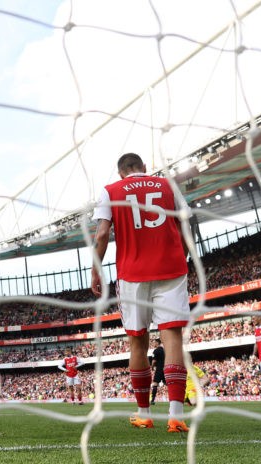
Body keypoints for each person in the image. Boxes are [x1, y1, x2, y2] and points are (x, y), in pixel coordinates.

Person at [91, 153, 190, 433]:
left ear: (121, 172)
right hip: (171, 269)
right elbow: (184, 224)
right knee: (172, 339)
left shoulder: (111, 191)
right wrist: (183, 255)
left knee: (138, 342)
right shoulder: (168, 185)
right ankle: (176, 416)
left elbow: (101, 235)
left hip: (132, 273)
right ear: (145, 168)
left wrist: (96, 271)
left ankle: (144, 414)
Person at [149, 338, 165, 405]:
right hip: (165, 368)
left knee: (155, 384)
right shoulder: (164, 350)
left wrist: (152, 367)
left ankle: (152, 400)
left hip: (159, 369)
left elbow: (154, 361)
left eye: (154, 342)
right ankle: (175, 398)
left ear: (157, 343)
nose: (153, 344)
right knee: (169, 384)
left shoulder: (155, 351)